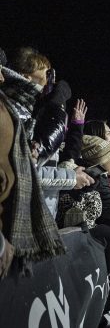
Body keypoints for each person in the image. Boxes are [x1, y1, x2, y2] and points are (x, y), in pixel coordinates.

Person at [0, 50, 65, 272]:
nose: (50, 77)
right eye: (46, 71)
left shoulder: (30, 109)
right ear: (27, 75)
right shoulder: (13, 108)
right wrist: (57, 110)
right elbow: (28, 164)